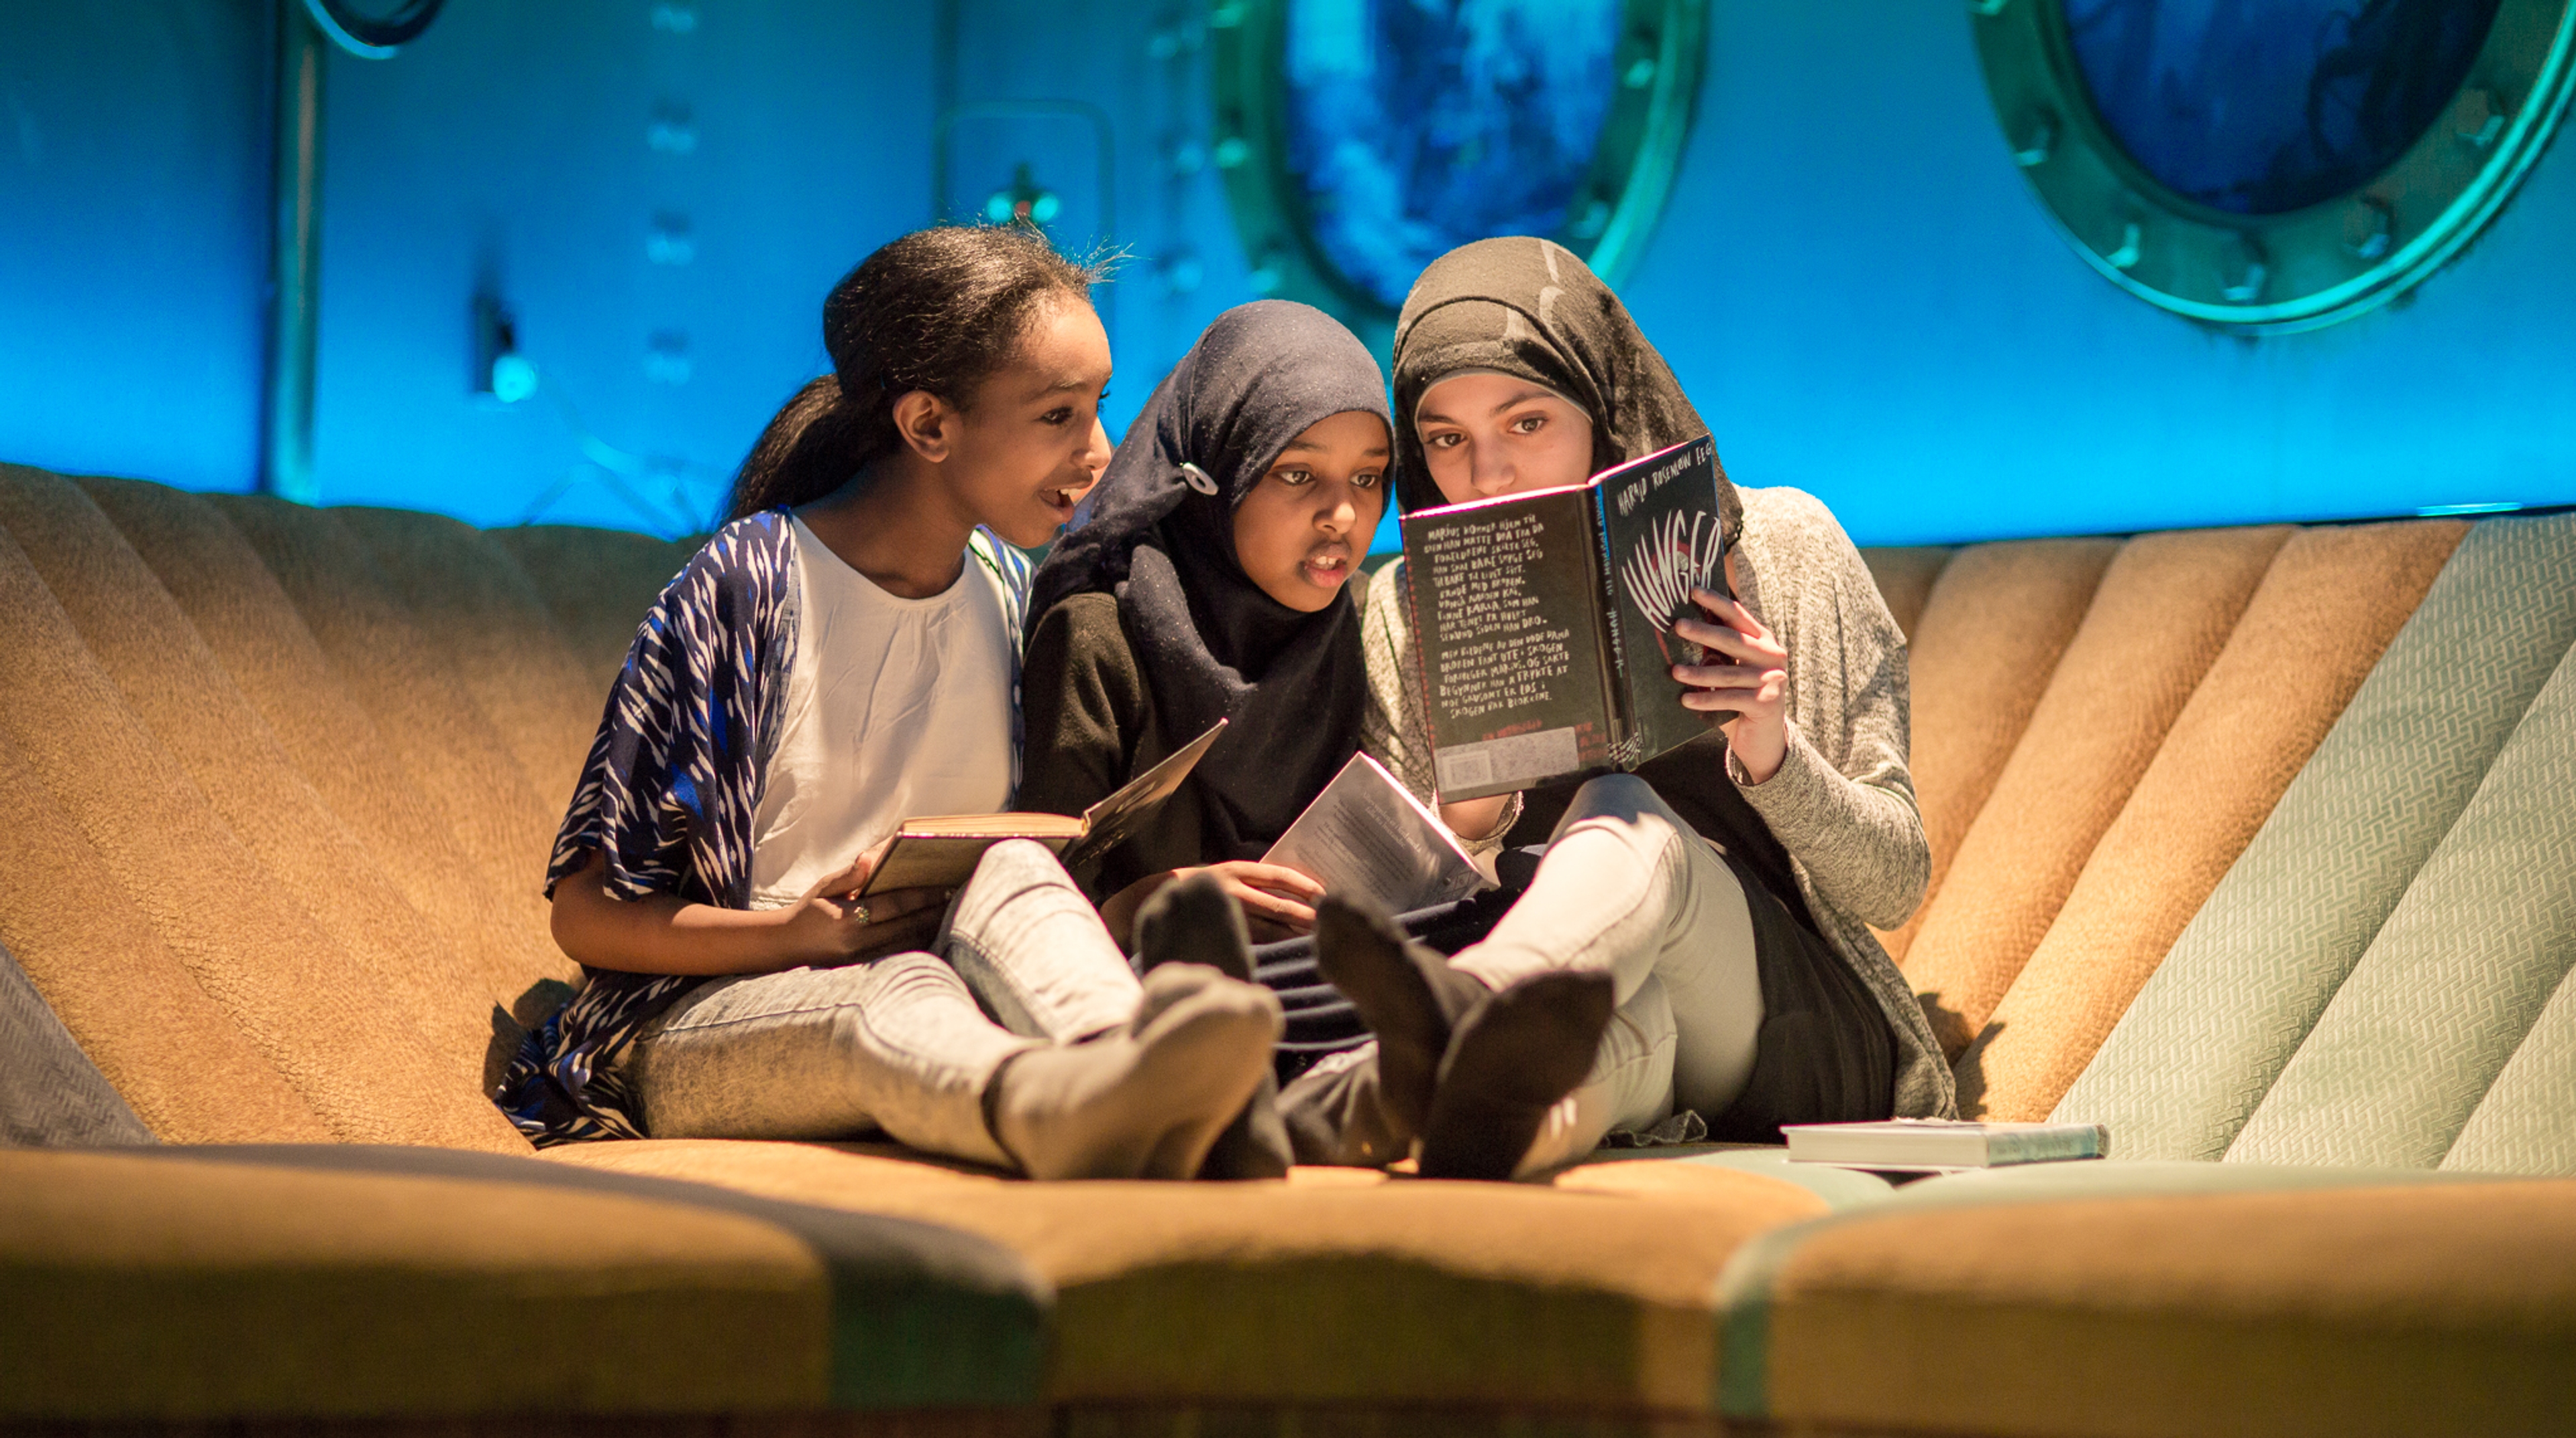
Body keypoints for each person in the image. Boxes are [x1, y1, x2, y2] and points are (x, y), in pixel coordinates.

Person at [492, 226, 1281, 1181]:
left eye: (1098, 409)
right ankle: (1069, 1107)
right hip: (706, 1025)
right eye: (1058, 417)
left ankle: (1158, 1083)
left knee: (1019, 873)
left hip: (946, 989)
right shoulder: (748, 586)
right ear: (929, 425)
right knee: (889, 990)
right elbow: (586, 913)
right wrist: (795, 935)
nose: (1098, 452)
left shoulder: (1006, 583)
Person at [1303, 235, 1955, 1179]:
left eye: (1527, 424)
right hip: (1598, 1011)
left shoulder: (1787, 549)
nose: (1488, 477)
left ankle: (1465, 1010)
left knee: (1622, 817)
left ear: (1603, 407)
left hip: (1797, 1031)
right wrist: (1467, 823)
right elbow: (1403, 910)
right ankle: (1391, 1108)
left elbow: (1893, 885)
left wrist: (1773, 749)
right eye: (1446, 439)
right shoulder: (1408, 610)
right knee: (1552, 1068)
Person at [1017, 299, 1390, 948]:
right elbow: (1034, 910)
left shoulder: (1362, 616)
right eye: (1297, 473)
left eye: (1369, 477)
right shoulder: (1100, 636)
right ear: (1214, 475)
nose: (1344, 516)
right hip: (1137, 1011)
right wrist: (1156, 905)